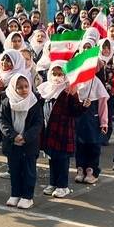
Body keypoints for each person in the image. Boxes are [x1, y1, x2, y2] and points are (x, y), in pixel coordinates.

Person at [0, 72, 43, 209]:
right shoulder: (7, 102)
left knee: (29, 171)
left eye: (26, 86)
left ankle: (27, 196)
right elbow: (2, 121)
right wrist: (13, 135)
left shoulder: (34, 102)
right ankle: (15, 194)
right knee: (15, 170)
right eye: (20, 87)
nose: (24, 90)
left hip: (29, 144)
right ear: (13, 88)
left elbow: (38, 123)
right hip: (13, 143)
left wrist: (26, 137)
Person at [39, 64, 84, 198]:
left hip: (63, 131)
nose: (57, 77)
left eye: (60, 74)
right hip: (49, 130)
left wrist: (83, 106)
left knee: (62, 160)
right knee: (52, 159)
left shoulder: (68, 91)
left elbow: (75, 111)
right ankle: (53, 182)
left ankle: (62, 186)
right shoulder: (45, 90)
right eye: (54, 74)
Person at [75, 71, 110, 184]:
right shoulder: (75, 81)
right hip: (79, 119)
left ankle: (92, 170)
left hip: (93, 120)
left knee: (93, 145)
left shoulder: (96, 82)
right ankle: (80, 168)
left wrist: (104, 123)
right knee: (80, 145)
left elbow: (103, 105)